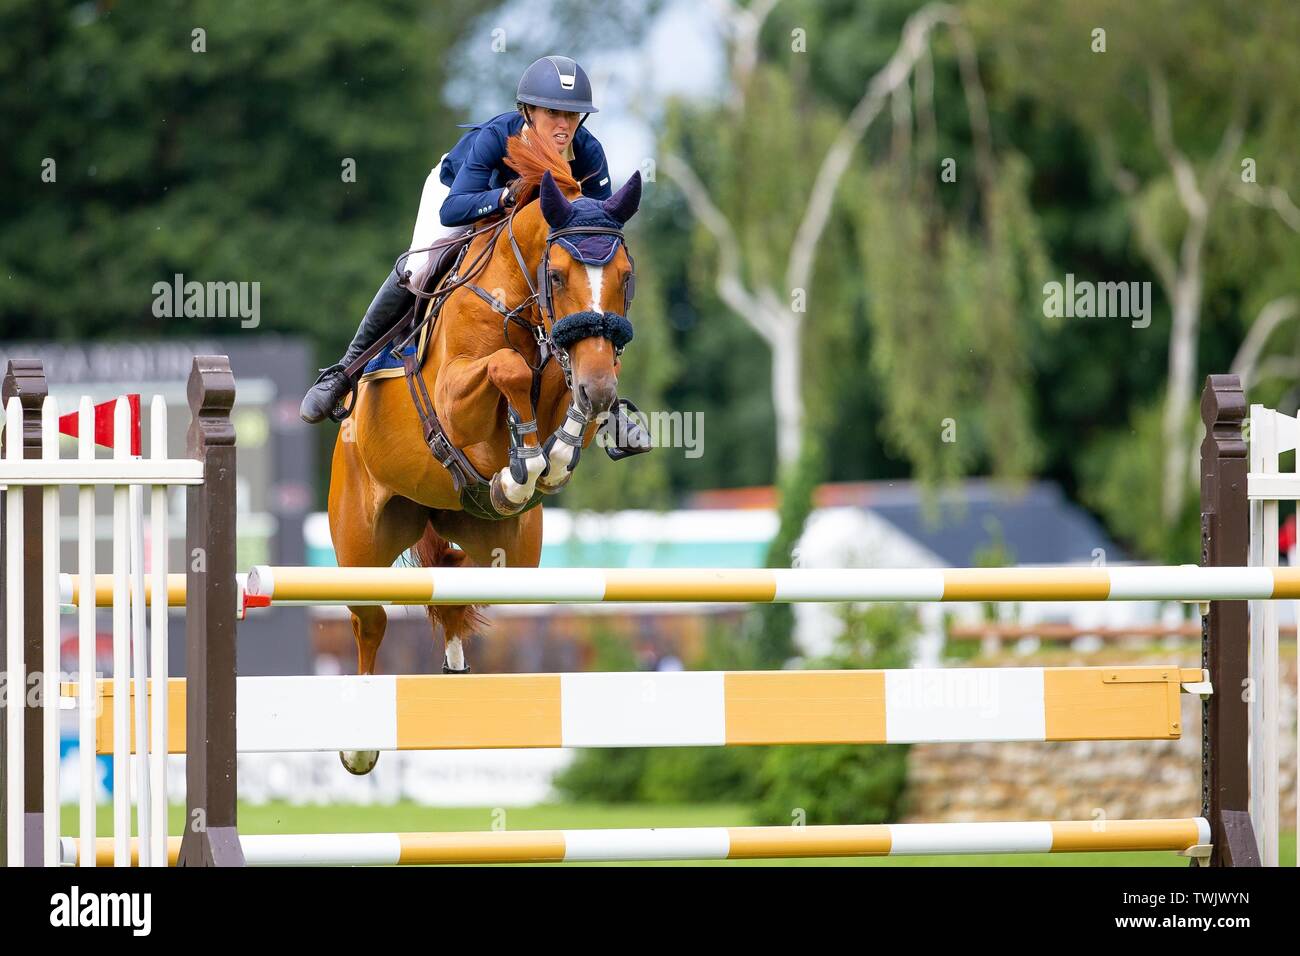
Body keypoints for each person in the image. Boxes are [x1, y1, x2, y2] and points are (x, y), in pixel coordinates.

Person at [300, 55, 647, 461]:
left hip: (531, 231)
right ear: (527, 111)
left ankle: (609, 408)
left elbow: (593, 238)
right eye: (553, 112)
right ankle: (344, 373)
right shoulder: (496, 137)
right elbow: (453, 210)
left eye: (573, 115)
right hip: (463, 197)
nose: (563, 125)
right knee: (417, 268)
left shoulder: (588, 153)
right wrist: (504, 197)